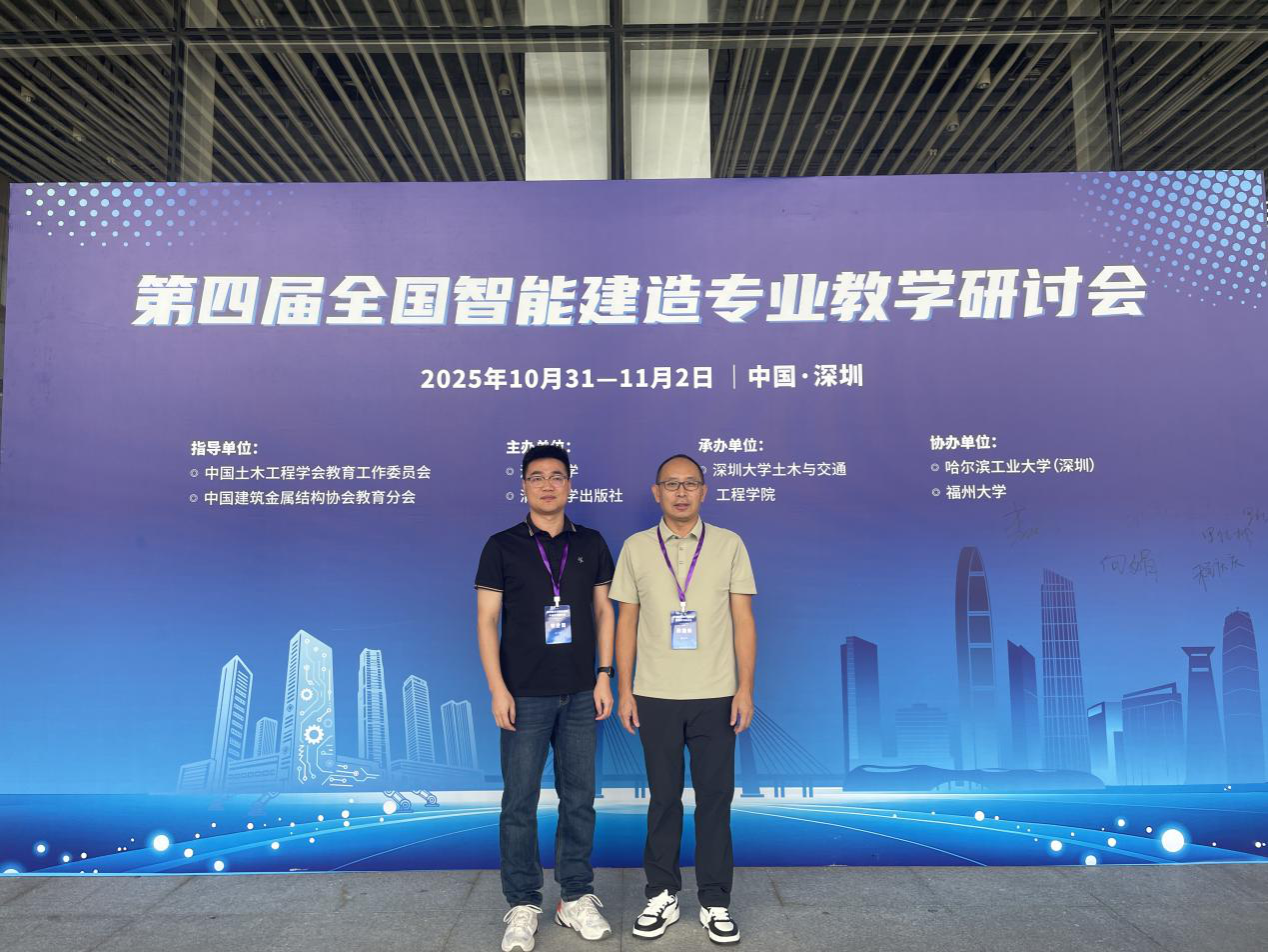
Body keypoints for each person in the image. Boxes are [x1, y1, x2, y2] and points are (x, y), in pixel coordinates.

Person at [475, 444, 617, 952]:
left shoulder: (591, 543)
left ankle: (574, 896)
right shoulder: (502, 546)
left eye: (557, 476)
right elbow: (487, 621)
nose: (548, 485)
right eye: (537, 477)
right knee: (519, 803)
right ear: (524, 486)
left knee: (579, 799)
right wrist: (498, 688)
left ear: (569, 484)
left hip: (580, 692)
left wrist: (605, 676)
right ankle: (522, 903)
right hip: (524, 695)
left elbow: (605, 613)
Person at [611, 453, 757, 945]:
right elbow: (626, 623)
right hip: (654, 694)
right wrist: (624, 689)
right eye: (671, 484)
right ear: (656, 492)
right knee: (663, 800)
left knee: (715, 801)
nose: (680, 492)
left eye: (690, 483)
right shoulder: (635, 548)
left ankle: (715, 901)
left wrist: (745, 688)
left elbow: (743, 621)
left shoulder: (729, 544)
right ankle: (662, 894)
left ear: (703, 491)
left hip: (717, 694)